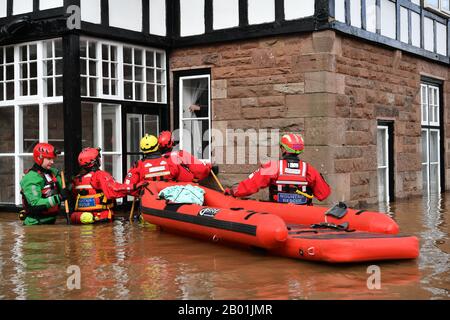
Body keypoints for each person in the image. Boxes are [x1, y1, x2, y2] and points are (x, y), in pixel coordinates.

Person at [224, 133, 331, 205]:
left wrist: (233, 192)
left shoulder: (273, 167)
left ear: (283, 148)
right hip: (303, 215)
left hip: (279, 214)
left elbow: (251, 184)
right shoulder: (309, 170)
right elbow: (324, 194)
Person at [71, 147, 147, 224]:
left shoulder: (77, 179)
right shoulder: (99, 175)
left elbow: (73, 196)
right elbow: (114, 190)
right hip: (100, 217)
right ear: (94, 161)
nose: (100, 159)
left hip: (81, 217)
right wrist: (135, 186)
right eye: (98, 158)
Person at [124, 133, 212, 187]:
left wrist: (140, 191)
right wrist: (208, 167)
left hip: (151, 198)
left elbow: (128, 185)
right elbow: (201, 170)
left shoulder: (139, 164)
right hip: (176, 193)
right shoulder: (174, 158)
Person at [20, 143, 71, 226]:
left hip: (51, 222)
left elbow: (63, 188)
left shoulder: (53, 172)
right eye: (49, 159)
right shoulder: (31, 178)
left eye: (53, 159)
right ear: (40, 158)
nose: (52, 162)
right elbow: (35, 204)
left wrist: (70, 186)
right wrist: (59, 197)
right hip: (35, 225)